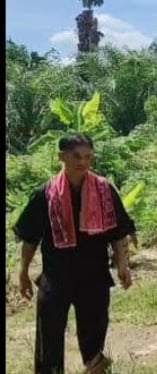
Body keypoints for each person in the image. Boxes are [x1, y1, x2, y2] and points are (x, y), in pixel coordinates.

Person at [13, 134, 134, 374]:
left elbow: (119, 231)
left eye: (88, 157)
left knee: (95, 332)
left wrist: (123, 263)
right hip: (57, 274)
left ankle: (94, 367)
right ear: (62, 157)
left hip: (94, 273)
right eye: (76, 156)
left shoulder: (104, 190)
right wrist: (24, 272)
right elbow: (29, 239)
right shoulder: (45, 194)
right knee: (49, 334)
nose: (82, 162)